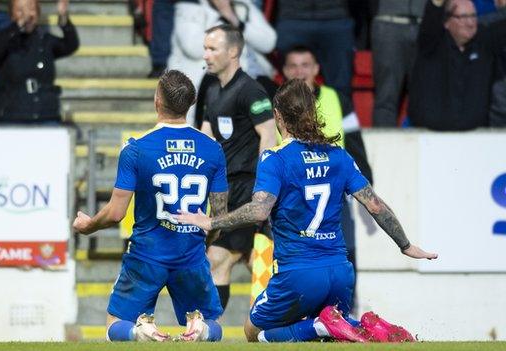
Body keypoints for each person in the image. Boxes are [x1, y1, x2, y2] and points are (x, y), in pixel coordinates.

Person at [177, 78, 438, 343]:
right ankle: (370, 325)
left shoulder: (275, 159)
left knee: (253, 331)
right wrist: (404, 244)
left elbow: (259, 211)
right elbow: (375, 204)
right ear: (313, 113)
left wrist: (212, 222)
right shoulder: (339, 156)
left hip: (297, 274)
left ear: (278, 116)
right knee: (332, 331)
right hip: (339, 271)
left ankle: (319, 326)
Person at [73, 70, 227, 342]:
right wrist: (206, 240)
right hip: (190, 253)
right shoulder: (213, 149)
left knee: (115, 326)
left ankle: (139, 331)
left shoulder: (136, 149)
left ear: (157, 100)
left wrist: (89, 225)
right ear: (190, 104)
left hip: (146, 255)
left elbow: (115, 214)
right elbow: (219, 217)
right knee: (212, 323)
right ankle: (200, 331)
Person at [281, 45, 373, 308]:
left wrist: (366, 186)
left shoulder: (337, 99)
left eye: (305, 65)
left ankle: (346, 311)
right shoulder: (278, 104)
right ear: (285, 71)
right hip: (292, 200)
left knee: (346, 253)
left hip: (334, 195)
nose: (300, 71)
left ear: (316, 69)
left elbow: (355, 143)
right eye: (294, 66)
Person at [198, 24, 277, 312]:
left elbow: (268, 137)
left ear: (233, 51)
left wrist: (264, 187)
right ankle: (273, 323)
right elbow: (206, 137)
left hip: (247, 186)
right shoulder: (211, 89)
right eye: (205, 48)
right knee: (250, 260)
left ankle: (209, 329)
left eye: (212, 48)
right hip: (222, 189)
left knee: (217, 258)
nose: (205, 55)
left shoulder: (251, 91)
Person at [167, 0, 276, 124]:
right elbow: (193, 48)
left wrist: (233, 18)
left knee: (271, 92)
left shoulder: (244, 6)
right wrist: (222, 17)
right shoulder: (189, 8)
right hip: (205, 77)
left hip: (246, 74)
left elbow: (269, 43)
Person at [408, 0, 506, 130]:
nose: (470, 23)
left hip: (476, 140)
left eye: (473, 16)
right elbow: (431, 17)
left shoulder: (484, 42)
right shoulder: (431, 45)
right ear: (447, 22)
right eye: (463, 17)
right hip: (430, 139)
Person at [0, 0, 78, 124]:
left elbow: (70, 45)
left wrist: (63, 18)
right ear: (11, 15)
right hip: (12, 117)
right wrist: (18, 25)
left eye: (31, 9)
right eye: (20, 10)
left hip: (45, 116)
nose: (27, 14)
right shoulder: (3, 40)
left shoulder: (45, 41)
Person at [274, 0, 355, 98]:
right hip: (292, 16)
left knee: (341, 87)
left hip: (336, 16)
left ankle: (341, 112)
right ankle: (289, 111)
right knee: (290, 83)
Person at [371, 0, 427, 127]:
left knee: (425, 98)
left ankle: (426, 145)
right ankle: (384, 145)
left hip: (425, 24)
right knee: (386, 96)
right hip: (387, 22)